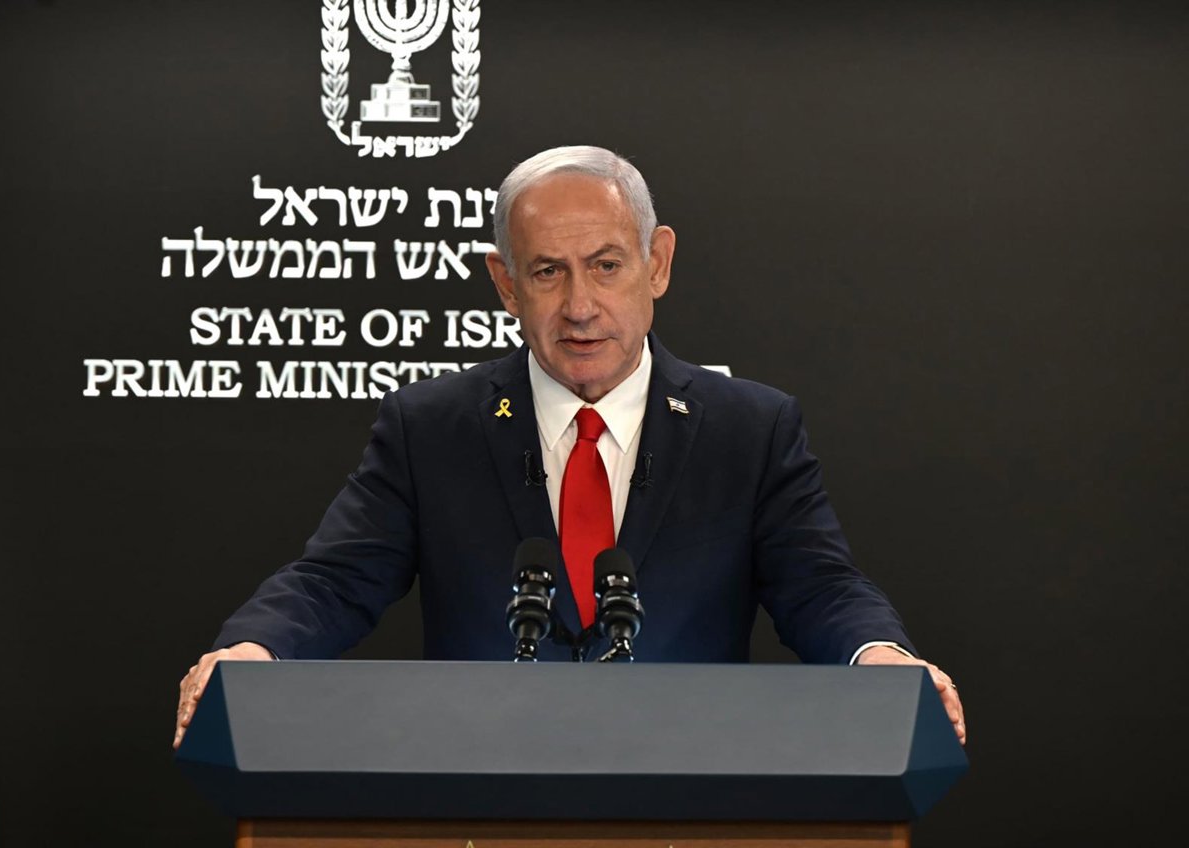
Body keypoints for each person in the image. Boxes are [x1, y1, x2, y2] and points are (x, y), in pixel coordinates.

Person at [174, 146, 965, 749]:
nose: (580, 305)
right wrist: (255, 647)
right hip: (480, 796)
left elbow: (819, 586)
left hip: (688, 793)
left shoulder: (749, 430)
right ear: (505, 284)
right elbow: (336, 579)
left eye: (606, 266)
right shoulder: (433, 428)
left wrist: (879, 657)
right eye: (548, 272)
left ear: (657, 264)